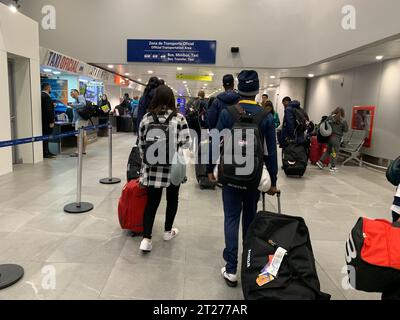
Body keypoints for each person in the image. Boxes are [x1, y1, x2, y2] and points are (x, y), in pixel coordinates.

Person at [207, 70, 279, 287]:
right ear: (257, 91)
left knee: (231, 219)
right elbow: (270, 152)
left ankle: (230, 270)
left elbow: (214, 142)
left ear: (239, 89)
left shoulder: (228, 113)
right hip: (253, 178)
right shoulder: (265, 116)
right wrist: (273, 181)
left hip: (229, 176)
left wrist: (210, 168)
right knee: (250, 220)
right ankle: (248, 268)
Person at [138, 85, 191, 253]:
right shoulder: (179, 118)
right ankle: (168, 232)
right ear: (171, 100)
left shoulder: (146, 118)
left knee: (152, 202)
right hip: (172, 169)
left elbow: (140, 146)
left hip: (152, 168)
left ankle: (146, 239)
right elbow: (186, 145)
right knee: (172, 199)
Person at [316, 107, 349, 172]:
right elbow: (346, 130)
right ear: (342, 113)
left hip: (329, 137)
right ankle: (332, 167)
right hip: (336, 139)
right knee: (334, 153)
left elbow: (325, 124)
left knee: (328, 151)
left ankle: (320, 162)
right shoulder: (343, 120)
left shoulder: (330, 117)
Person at [69, 89, 88, 157]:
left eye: (72, 92)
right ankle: (83, 150)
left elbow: (83, 104)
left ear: (77, 92)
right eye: (70, 93)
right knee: (83, 135)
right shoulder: (76, 100)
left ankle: (78, 151)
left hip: (80, 120)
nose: (71, 93)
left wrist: (73, 105)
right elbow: (75, 113)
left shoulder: (80, 97)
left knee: (79, 136)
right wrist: (73, 121)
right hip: (81, 119)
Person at [41, 83, 56, 159]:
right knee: (46, 136)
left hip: (43, 120)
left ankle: (47, 151)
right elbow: (48, 110)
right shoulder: (46, 97)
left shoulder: (42, 95)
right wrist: (51, 121)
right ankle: (46, 152)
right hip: (46, 121)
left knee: (45, 137)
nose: (51, 89)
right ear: (47, 87)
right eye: (50, 87)